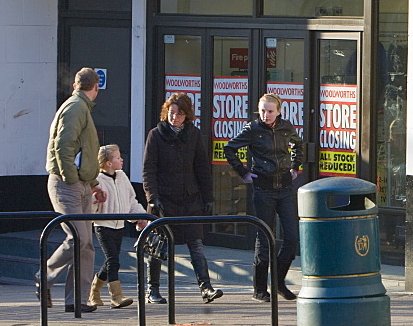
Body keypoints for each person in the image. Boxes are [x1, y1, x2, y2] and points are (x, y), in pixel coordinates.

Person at [142, 93, 222, 304]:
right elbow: (148, 169)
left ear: (187, 116)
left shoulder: (194, 135)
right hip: (164, 200)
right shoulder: (156, 135)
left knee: (196, 244)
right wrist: (153, 198)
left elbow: (202, 168)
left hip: (189, 199)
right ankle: (153, 289)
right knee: (158, 246)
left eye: (179, 114)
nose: (174, 117)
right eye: (171, 112)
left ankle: (206, 287)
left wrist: (208, 197)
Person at [39, 67, 107, 314]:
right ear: (95, 87)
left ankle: (77, 300)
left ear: (76, 85)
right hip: (68, 184)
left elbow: (81, 153)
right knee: (78, 238)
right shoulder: (76, 108)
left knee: (85, 244)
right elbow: (63, 146)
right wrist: (71, 178)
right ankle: (44, 277)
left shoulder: (79, 107)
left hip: (81, 184)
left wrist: (93, 184)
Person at [225, 93, 305, 301]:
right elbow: (230, 148)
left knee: (292, 238)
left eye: (270, 111)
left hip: (285, 188)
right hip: (263, 188)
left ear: (278, 111)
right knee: (265, 237)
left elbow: (299, 144)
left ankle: (279, 282)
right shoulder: (253, 129)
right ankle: (259, 289)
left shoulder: (286, 127)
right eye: (262, 111)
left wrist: (295, 167)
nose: (266, 115)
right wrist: (243, 173)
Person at [89, 144, 149, 309]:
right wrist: (96, 198)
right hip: (103, 225)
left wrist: (140, 217)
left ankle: (94, 291)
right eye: (117, 157)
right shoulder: (97, 180)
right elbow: (90, 207)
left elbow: (131, 200)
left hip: (119, 225)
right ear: (108, 163)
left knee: (111, 260)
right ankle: (116, 296)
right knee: (113, 260)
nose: (121, 159)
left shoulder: (122, 176)